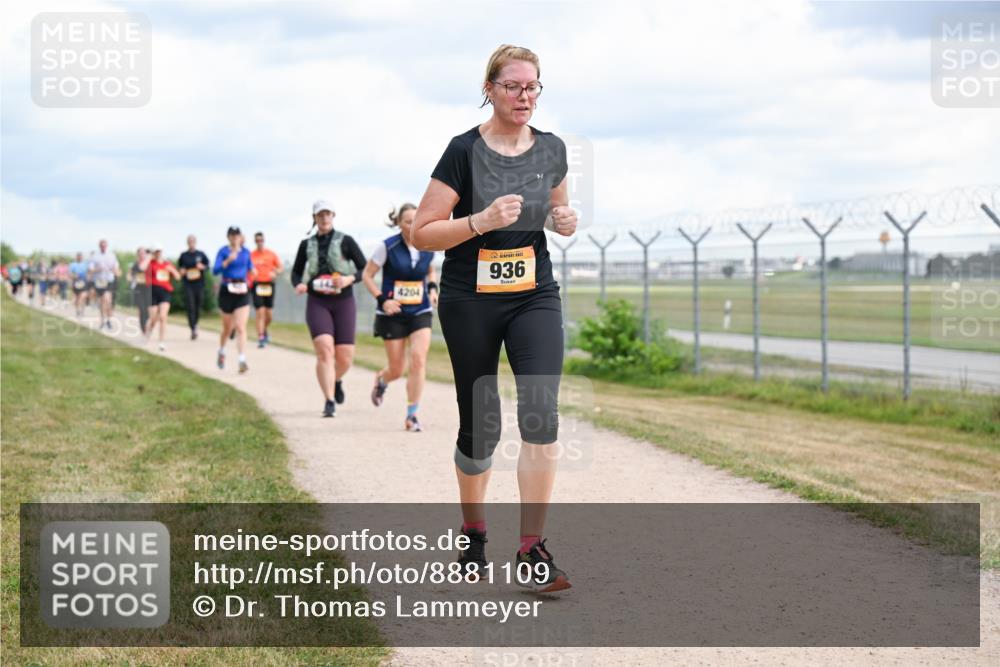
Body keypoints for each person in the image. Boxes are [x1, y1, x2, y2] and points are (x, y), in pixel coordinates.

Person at [412, 44, 578, 593]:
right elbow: (423, 231)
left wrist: (565, 219)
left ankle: (532, 548)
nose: (524, 96)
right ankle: (474, 530)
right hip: (469, 297)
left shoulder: (551, 149)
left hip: (534, 292)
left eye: (533, 87)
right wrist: (479, 221)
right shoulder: (463, 151)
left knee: (540, 412)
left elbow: (557, 212)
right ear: (490, 89)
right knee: (481, 427)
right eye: (513, 86)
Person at [362, 203, 438, 431]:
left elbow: (430, 270)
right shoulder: (387, 246)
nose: (413, 224)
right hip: (392, 313)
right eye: (407, 221)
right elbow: (367, 275)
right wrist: (382, 300)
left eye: (416, 219)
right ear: (399, 223)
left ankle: (412, 415)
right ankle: (382, 380)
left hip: (420, 310)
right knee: (397, 368)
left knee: (418, 359)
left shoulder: (429, 243)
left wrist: (433, 289)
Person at [290, 200, 367, 418]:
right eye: (319, 215)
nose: (324, 218)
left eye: (327, 214)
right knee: (325, 349)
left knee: (345, 358)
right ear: (314, 218)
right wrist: (299, 285)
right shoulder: (306, 245)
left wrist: (349, 279)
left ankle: (335, 379)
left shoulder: (346, 240)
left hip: (343, 302)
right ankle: (329, 400)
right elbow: (295, 273)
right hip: (317, 301)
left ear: (333, 215)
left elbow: (365, 269)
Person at [213, 226, 254, 373]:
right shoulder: (223, 251)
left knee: (241, 327)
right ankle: (222, 350)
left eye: (237, 234)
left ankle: (242, 359)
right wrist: (228, 261)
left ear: (240, 236)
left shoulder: (246, 252)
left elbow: (250, 267)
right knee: (227, 328)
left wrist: (254, 272)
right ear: (228, 237)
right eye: (232, 235)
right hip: (227, 290)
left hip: (242, 290)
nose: (235, 237)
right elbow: (215, 270)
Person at [144, 244, 181, 351]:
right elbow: (142, 268)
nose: (158, 253)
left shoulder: (167, 264)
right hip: (152, 291)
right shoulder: (150, 263)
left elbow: (178, 277)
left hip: (165, 292)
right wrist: (149, 258)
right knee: (153, 318)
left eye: (159, 251)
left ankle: (162, 342)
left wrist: (172, 270)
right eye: (156, 251)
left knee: (163, 317)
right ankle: (148, 332)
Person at [250, 231, 283, 348]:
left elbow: (280, 268)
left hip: (269, 285)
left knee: (269, 315)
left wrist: (275, 272)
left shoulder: (271, 254)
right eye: (257, 240)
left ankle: (263, 330)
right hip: (257, 285)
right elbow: (246, 269)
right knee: (260, 312)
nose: (259, 242)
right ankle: (261, 337)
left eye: (261, 240)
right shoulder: (251, 255)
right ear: (255, 241)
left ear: (264, 240)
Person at [178, 235, 210, 340]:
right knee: (190, 306)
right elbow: (180, 268)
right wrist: (181, 271)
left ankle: (195, 324)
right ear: (187, 243)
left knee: (198, 305)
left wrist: (203, 267)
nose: (191, 242)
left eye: (193, 241)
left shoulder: (201, 254)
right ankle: (193, 328)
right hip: (188, 284)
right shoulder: (183, 255)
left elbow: (208, 266)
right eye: (189, 241)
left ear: (195, 242)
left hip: (199, 284)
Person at [89, 239, 121, 330]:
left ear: (106, 246)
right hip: (99, 281)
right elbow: (91, 269)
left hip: (109, 280)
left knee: (108, 299)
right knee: (102, 301)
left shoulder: (112, 256)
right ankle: (103, 320)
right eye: (101, 245)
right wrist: (97, 269)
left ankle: (109, 320)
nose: (103, 247)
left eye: (104, 245)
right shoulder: (95, 256)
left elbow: (116, 267)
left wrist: (115, 271)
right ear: (99, 246)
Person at [129, 247, 152, 334]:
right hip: (138, 289)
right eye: (141, 253)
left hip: (148, 288)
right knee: (141, 308)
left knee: (147, 309)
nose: (142, 255)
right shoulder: (136, 264)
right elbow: (132, 273)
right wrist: (131, 279)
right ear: (138, 254)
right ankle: (143, 328)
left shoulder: (150, 263)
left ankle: (147, 325)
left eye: (144, 253)